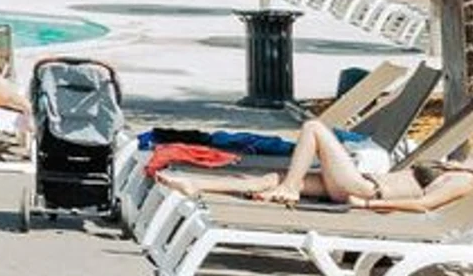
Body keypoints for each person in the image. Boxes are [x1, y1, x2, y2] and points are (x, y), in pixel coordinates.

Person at [181, 116, 473, 211]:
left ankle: (290, 188)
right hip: (360, 184)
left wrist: (366, 204)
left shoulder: (466, 181)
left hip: (365, 190)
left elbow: (424, 204)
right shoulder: (461, 168)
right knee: (274, 177)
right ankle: (197, 184)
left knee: (314, 127)